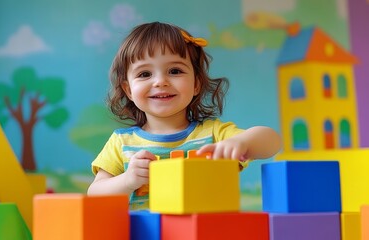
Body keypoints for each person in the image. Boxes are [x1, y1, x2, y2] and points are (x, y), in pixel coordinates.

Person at [87, 22, 281, 210]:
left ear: (196, 84)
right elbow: (95, 193)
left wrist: (243, 143)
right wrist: (128, 180)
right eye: (145, 74)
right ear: (129, 90)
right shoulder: (121, 142)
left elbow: (272, 142)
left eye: (175, 71)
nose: (160, 81)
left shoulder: (212, 134)